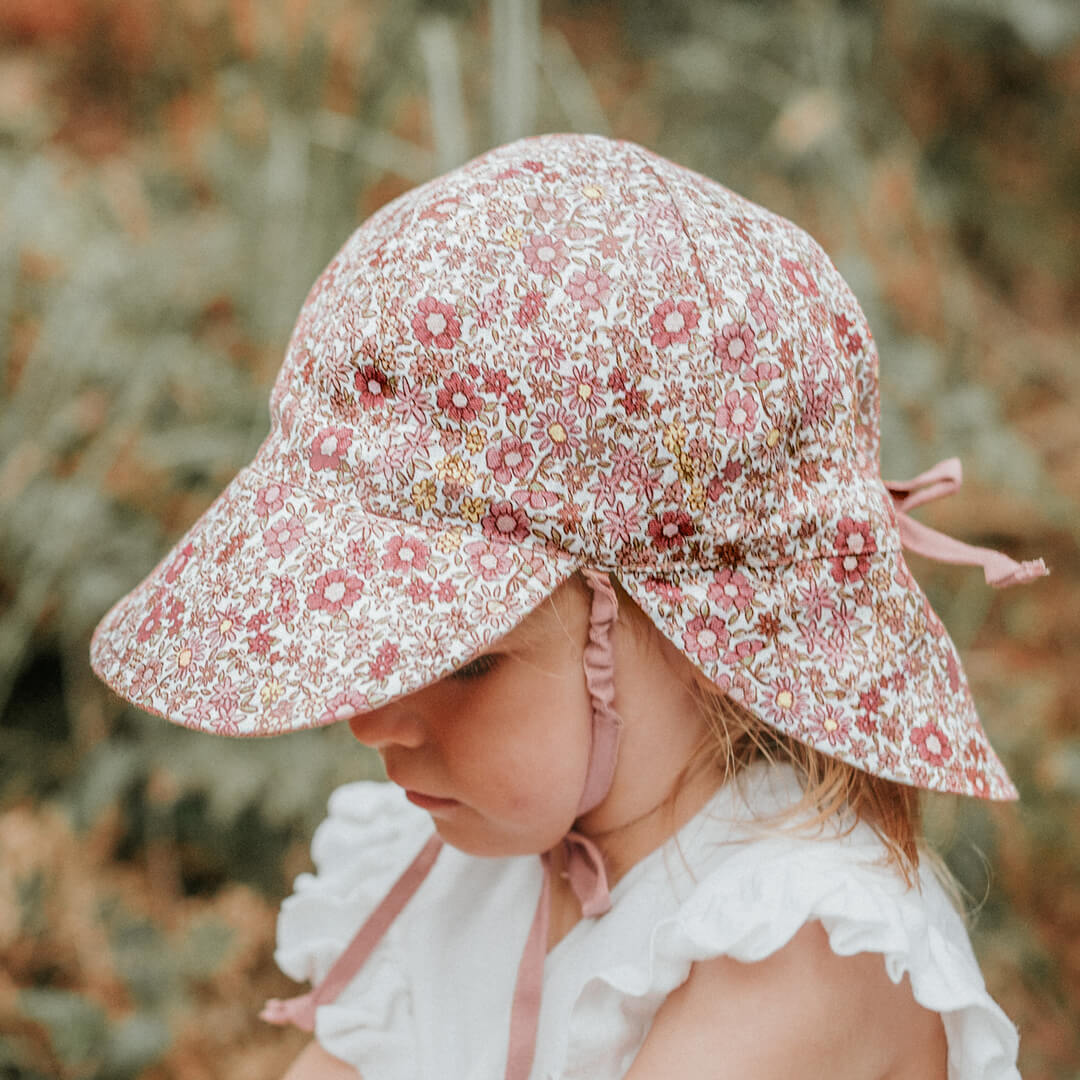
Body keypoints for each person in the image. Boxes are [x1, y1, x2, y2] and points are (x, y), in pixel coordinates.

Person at [90, 133, 1045, 1079]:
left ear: (698, 623)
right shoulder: (466, 872)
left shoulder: (796, 949)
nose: (370, 720)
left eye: (468, 660)